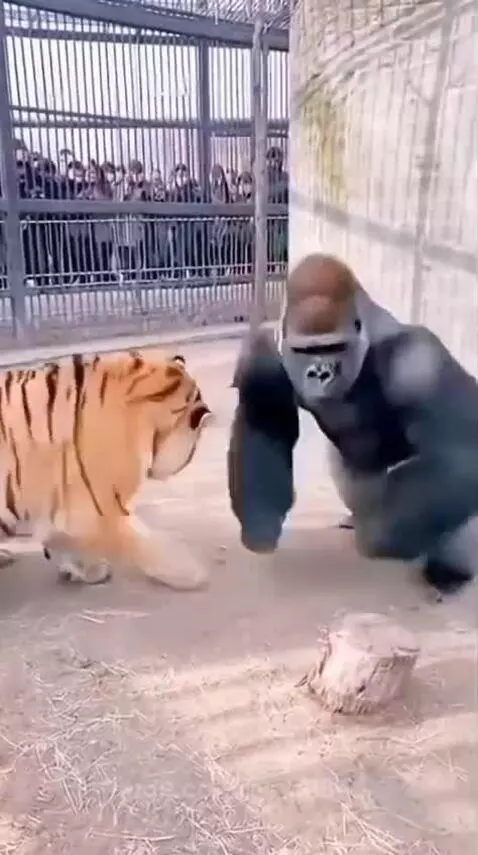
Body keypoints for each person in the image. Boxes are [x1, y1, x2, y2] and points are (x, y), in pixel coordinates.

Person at [228, 252, 478, 598]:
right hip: (361, 454)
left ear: (360, 331)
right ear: (284, 337)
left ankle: (447, 558)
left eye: (332, 350)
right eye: (307, 353)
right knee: (369, 520)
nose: (320, 372)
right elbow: (261, 440)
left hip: (423, 456)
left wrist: (404, 522)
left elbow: (467, 458)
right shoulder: (268, 360)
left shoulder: (410, 361)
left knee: (410, 540)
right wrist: (261, 520)